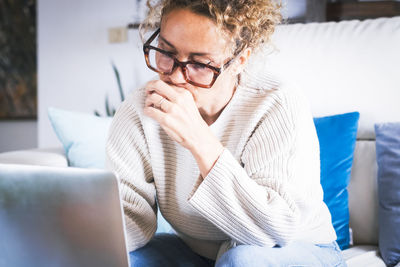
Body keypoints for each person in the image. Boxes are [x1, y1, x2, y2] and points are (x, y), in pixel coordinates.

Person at [106, 0, 346, 266]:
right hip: (199, 253)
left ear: (239, 61)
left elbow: (275, 228)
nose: (174, 77)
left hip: (295, 248)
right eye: (165, 52)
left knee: (240, 260)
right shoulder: (141, 109)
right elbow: (130, 217)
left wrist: (199, 139)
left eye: (199, 64)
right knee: (114, 257)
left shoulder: (276, 102)